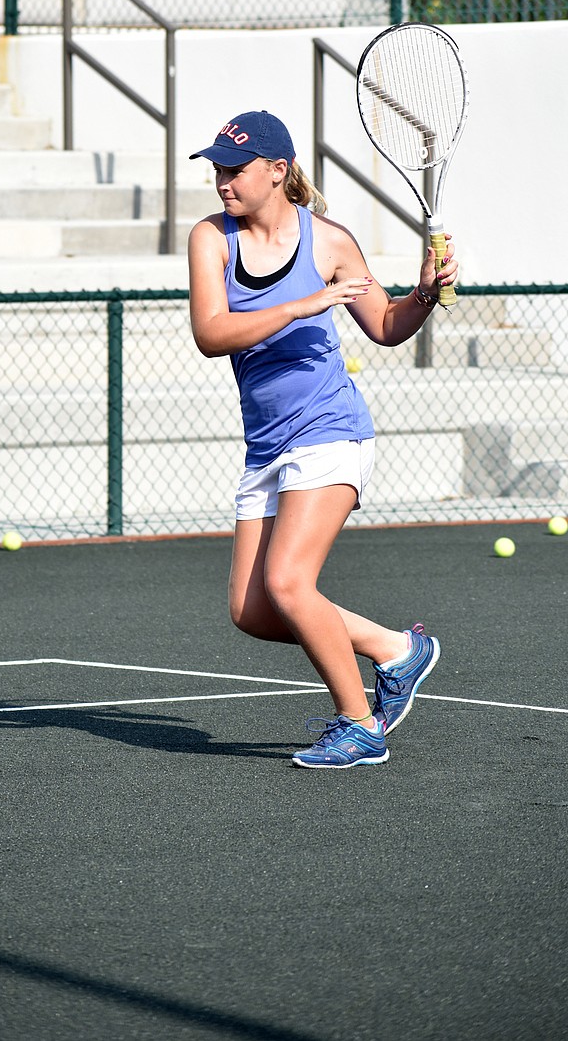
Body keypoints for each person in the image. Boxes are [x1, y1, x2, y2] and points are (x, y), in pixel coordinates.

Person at [187, 109, 459, 770]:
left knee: (288, 579)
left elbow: (387, 324)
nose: (222, 181)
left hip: (330, 429)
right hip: (266, 445)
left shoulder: (330, 241)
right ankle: (398, 649)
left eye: (235, 168)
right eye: (218, 168)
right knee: (253, 610)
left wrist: (424, 293)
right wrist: (301, 305)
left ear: (278, 172)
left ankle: (360, 724)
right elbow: (210, 333)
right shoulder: (211, 240)